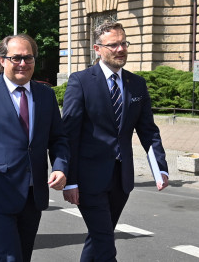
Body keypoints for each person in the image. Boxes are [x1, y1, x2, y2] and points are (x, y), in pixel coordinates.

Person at [62, 21, 169, 262]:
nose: (120, 49)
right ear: (98, 49)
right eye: (113, 45)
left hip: (121, 179)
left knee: (101, 236)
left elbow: (148, 131)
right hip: (89, 179)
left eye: (124, 43)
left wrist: (159, 167)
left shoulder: (136, 84)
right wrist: (70, 180)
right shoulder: (81, 81)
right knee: (105, 242)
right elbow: (69, 134)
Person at [0, 34, 69, 262]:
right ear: (2, 60)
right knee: (9, 257)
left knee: (24, 254)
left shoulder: (46, 95)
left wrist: (60, 166)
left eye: (28, 58)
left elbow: (58, 138)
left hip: (33, 193)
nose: (22, 63)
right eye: (16, 57)